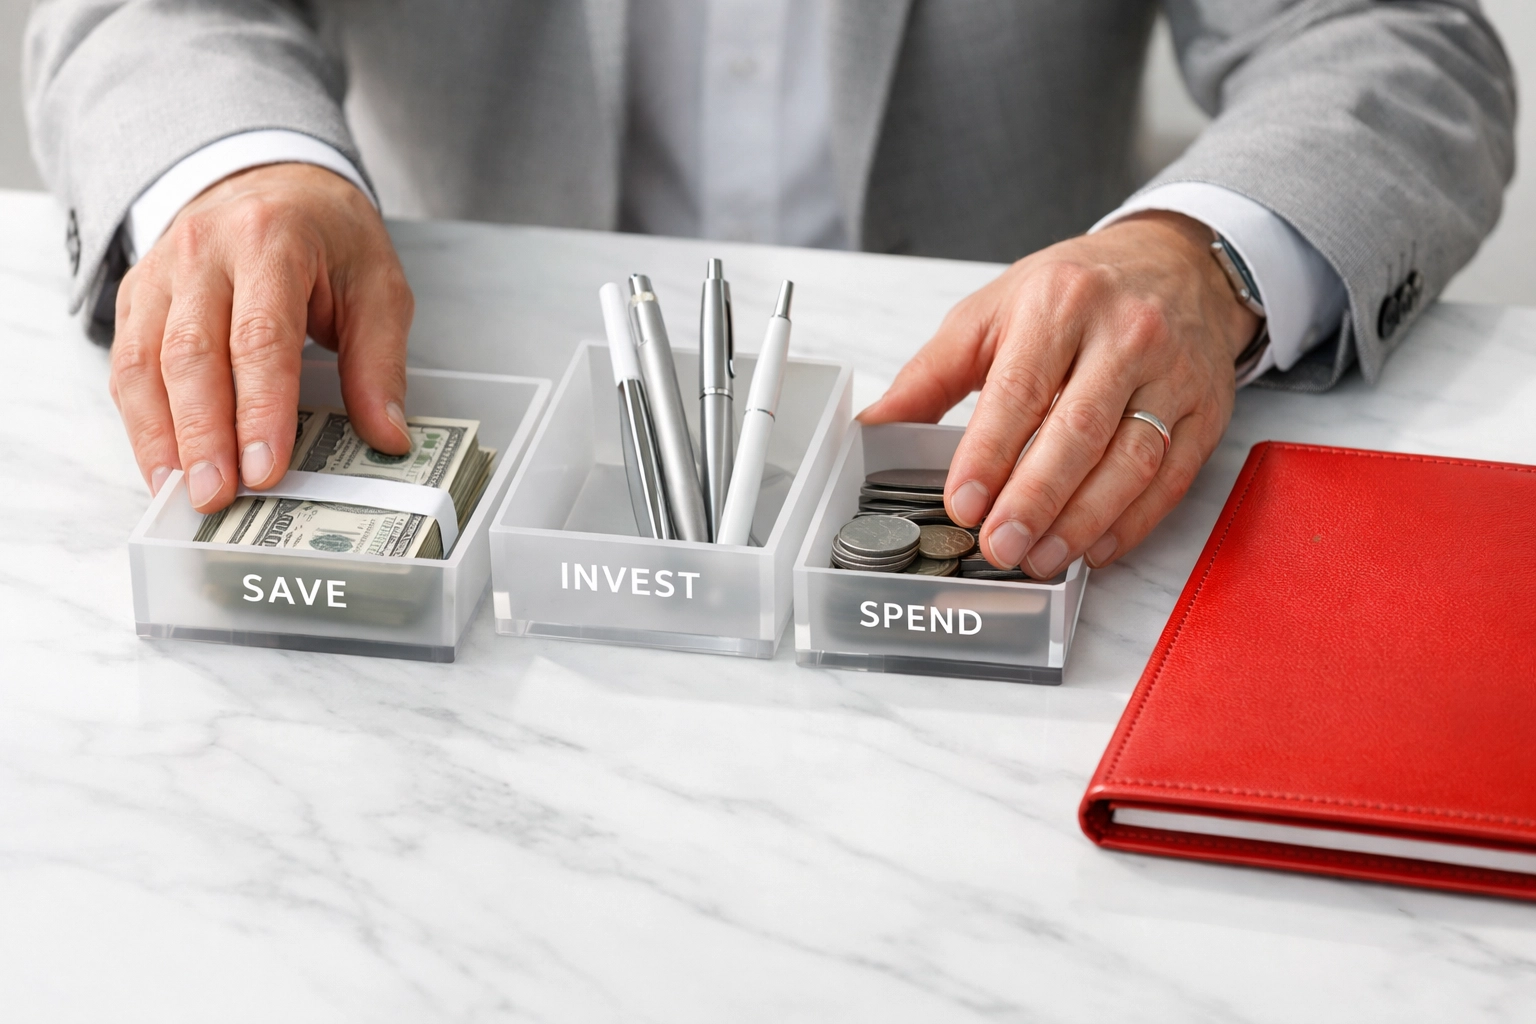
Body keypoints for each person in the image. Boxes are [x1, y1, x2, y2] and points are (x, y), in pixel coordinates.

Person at [24, 1, 1515, 577]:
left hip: (992, 463)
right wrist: (237, 165)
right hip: (477, 436)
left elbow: (1388, 38)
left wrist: (1200, 256)